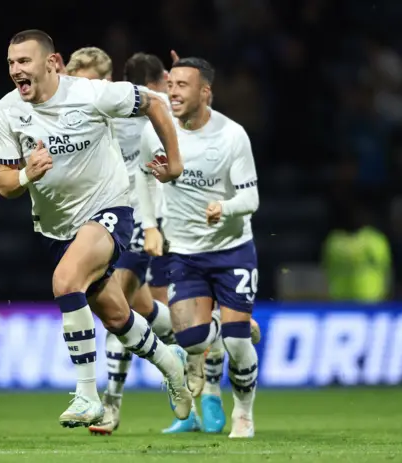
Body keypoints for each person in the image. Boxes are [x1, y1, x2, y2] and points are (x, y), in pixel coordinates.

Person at [0, 29, 193, 429]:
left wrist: (174, 163)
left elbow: (153, 102)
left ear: (52, 62)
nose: (16, 70)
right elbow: (2, 180)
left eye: (24, 61)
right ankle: (173, 367)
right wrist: (26, 177)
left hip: (109, 210)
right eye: (12, 63)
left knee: (65, 282)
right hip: (55, 229)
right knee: (118, 317)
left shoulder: (90, 94)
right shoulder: (8, 110)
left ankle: (88, 396)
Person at [64, 48, 192, 435]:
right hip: (105, 218)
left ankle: (111, 405)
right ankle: (206, 337)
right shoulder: (73, 112)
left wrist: (181, 77)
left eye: (91, 81)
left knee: (115, 307)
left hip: (143, 218)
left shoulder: (130, 101)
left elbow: (175, 106)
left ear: (108, 80)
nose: (84, 89)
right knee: (134, 309)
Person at [138, 57, 261, 438]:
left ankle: (243, 411)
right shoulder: (155, 131)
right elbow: (143, 178)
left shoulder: (231, 135)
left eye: (182, 85)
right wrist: (149, 226)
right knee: (191, 341)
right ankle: (222, 323)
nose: (172, 91)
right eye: (170, 84)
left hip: (232, 250)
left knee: (238, 347)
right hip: (184, 253)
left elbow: (251, 197)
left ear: (205, 92)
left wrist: (224, 208)